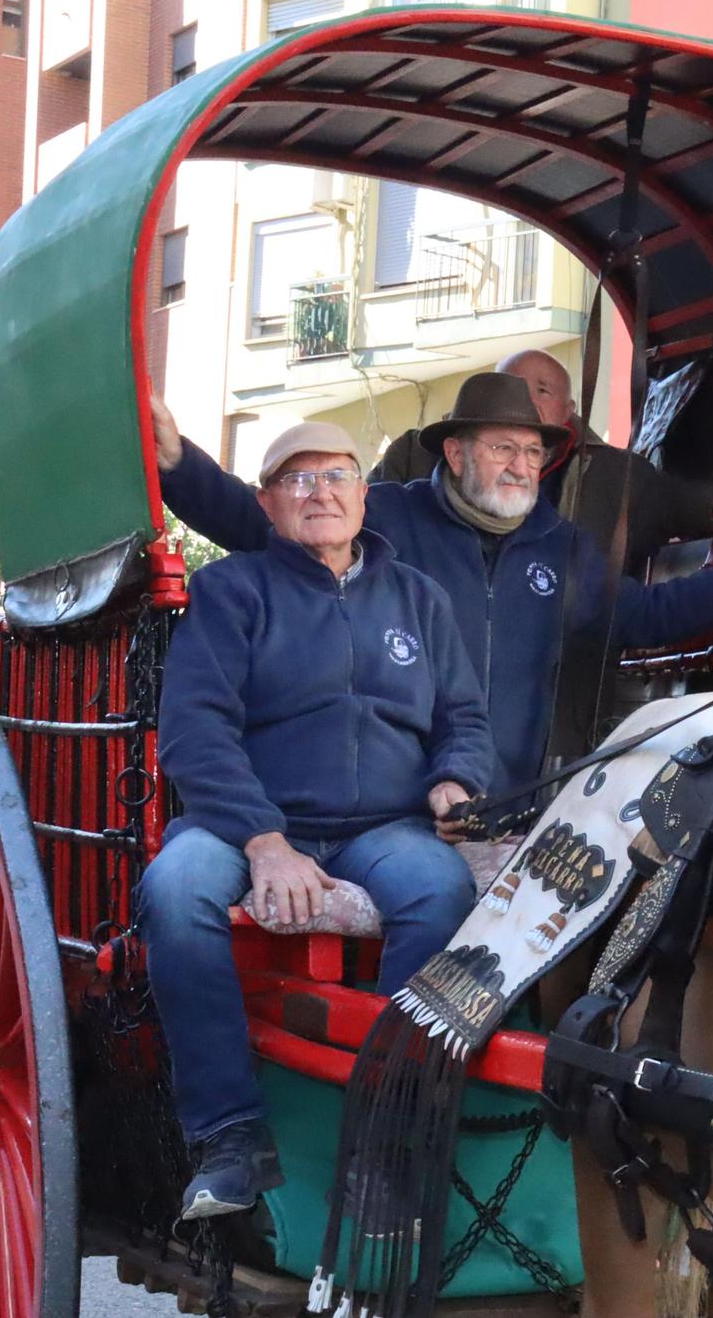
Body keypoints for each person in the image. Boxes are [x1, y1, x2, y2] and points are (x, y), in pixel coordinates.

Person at [151, 374, 713, 815]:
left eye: (530, 451)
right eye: (503, 449)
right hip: (395, 809)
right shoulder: (387, 517)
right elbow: (260, 523)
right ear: (458, 453)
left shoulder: (563, 547)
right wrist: (180, 464)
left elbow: (644, 617)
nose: (522, 466)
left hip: (508, 808)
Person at [138, 422, 495, 1221]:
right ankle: (230, 1138)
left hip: (384, 826)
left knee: (441, 890)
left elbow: (466, 719)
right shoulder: (233, 589)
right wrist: (266, 843)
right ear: (267, 502)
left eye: (336, 474)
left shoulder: (418, 599)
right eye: (296, 480)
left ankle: (384, 1142)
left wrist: (455, 779)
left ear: (364, 494)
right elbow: (195, 732)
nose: (319, 492)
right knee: (174, 888)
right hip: (247, 821)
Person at [372, 349, 713, 574]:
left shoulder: (612, 475)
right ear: (456, 454)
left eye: (541, 390)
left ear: (568, 410)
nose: (524, 401)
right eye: (512, 387)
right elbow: (360, 525)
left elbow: (671, 499)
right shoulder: (414, 458)